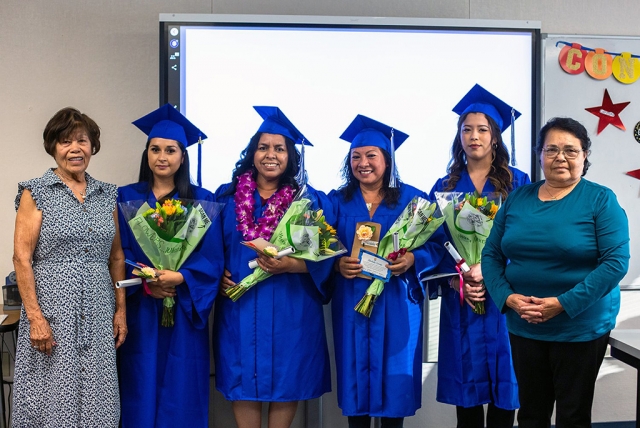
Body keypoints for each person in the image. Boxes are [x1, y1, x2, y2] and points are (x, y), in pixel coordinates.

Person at [482, 117, 630, 428]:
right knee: (531, 414)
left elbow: (616, 262)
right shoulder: (518, 199)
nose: (560, 157)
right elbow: (492, 254)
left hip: (580, 326)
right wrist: (507, 298)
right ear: (540, 155)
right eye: (551, 149)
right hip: (524, 324)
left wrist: (563, 303)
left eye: (570, 150)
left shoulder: (600, 200)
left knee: (572, 416)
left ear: (584, 156)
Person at [213, 106, 333, 428]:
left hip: (290, 309)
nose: (270, 155)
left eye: (279, 148)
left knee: (286, 381)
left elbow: (324, 259)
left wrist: (291, 266)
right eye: (263, 147)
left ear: (290, 156)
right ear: (252, 153)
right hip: (240, 308)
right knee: (243, 382)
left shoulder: (308, 202)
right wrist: (215, 275)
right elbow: (208, 253)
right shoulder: (225, 200)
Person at [12, 107, 127, 426]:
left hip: (99, 311)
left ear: (93, 146)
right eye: (65, 141)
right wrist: (35, 317)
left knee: (98, 395)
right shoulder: (35, 192)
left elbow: (116, 257)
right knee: (53, 396)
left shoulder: (107, 195)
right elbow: (21, 258)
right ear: (53, 147)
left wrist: (120, 310)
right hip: (52, 313)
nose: (75, 148)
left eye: (82, 140)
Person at [330, 114, 446, 428]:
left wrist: (413, 260)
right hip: (352, 301)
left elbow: (438, 244)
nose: (363, 163)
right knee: (356, 387)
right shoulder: (336, 201)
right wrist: (337, 262)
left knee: (394, 387)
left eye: (371, 155)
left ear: (388, 160)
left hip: (396, 302)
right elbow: (320, 242)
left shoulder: (413, 199)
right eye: (356, 156)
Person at [428, 84, 529, 428]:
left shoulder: (519, 183)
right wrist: (463, 275)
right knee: (466, 401)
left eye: (483, 129)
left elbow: (526, 239)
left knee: (506, 392)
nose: (474, 136)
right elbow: (434, 241)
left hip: (504, 299)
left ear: (496, 137)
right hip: (463, 301)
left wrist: (490, 272)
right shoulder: (444, 187)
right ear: (459, 137)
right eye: (466, 129)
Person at [117, 104, 224, 428]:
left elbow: (213, 258)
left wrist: (180, 276)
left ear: (182, 156)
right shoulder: (126, 198)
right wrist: (147, 280)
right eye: (155, 149)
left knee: (181, 388)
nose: (162, 156)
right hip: (141, 314)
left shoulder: (201, 201)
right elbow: (118, 254)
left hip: (183, 312)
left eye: (170, 150)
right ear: (146, 153)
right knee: (139, 383)